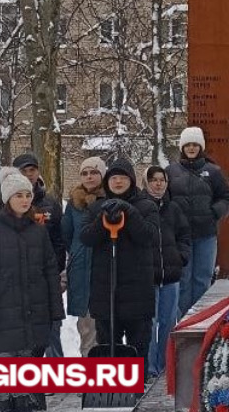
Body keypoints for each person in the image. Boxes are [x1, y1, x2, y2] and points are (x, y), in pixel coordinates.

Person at [0, 167, 64, 412]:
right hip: (2, 309)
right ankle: (3, 407)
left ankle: (22, 403)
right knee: (4, 361)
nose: (25, 199)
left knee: (25, 358)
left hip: (32, 308)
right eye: (18, 195)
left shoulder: (38, 232)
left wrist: (54, 310)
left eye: (28, 194)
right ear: (6, 198)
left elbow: (49, 272)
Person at [0, 152, 66, 358]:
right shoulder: (1, 205)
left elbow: (60, 241)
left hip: (45, 278)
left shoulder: (50, 203)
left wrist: (58, 272)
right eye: (24, 171)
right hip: (13, 280)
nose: (30, 175)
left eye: (33, 170)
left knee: (51, 330)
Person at [81, 158, 159, 358]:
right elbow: (86, 237)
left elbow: (148, 236)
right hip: (105, 293)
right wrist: (102, 218)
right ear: (107, 181)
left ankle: (136, 385)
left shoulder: (147, 206)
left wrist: (130, 212)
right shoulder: (95, 208)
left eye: (123, 177)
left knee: (139, 344)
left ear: (131, 180)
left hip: (137, 292)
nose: (118, 182)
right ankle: (111, 386)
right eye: (113, 177)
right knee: (108, 346)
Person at [168, 127, 229, 317]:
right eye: (187, 144)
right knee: (183, 279)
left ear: (201, 147)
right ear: (182, 147)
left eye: (195, 144)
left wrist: (213, 212)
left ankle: (200, 320)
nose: (191, 148)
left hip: (206, 235)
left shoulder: (212, 171)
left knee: (202, 279)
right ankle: (182, 322)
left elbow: (226, 198)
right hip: (180, 237)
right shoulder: (171, 171)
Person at [143, 166, 191, 380]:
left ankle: (165, 365)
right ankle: (151, 366)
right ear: (146, 182)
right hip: (148, 276)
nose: (158, 184)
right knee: (149, 322)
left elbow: (184, 235)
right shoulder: (140, 207)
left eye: (162, 180)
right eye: (153, 180)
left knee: (169, 321)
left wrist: (181, 257)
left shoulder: (174, 208)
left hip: (171, 274)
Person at [61, 156, 107, 357]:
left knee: (106, 327)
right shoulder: (74, 203)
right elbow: (67, 234)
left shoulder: (111, 198)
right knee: (86, 327)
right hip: (81, 269)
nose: (89, 177)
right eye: (85, 173)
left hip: (105, 268)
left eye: (94, 172)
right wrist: (77, 254)